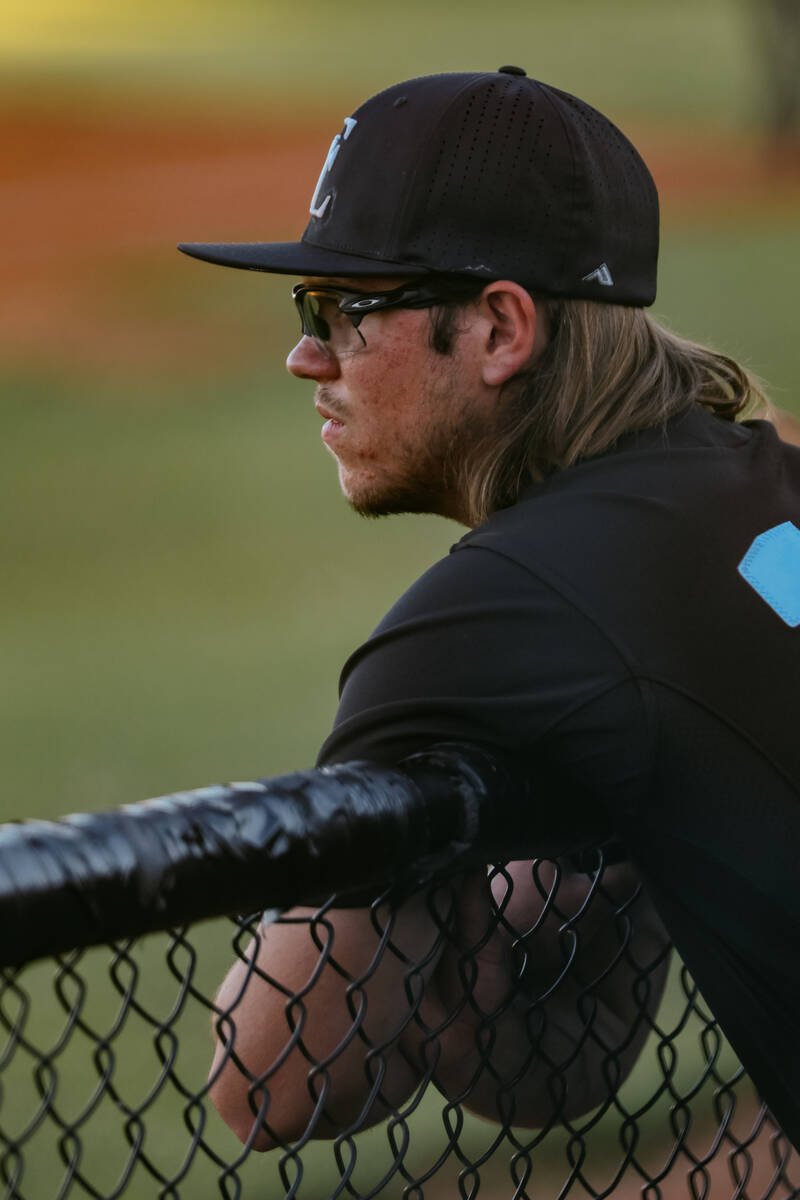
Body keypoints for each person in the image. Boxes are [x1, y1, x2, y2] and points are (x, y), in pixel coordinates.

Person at [179, 68, 800, 1154]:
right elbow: (564, 1059)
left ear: (500, 329)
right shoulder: (765, 489)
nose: (304, 355)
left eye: (343, 310)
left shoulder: (512, 603)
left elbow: (270, 1084)